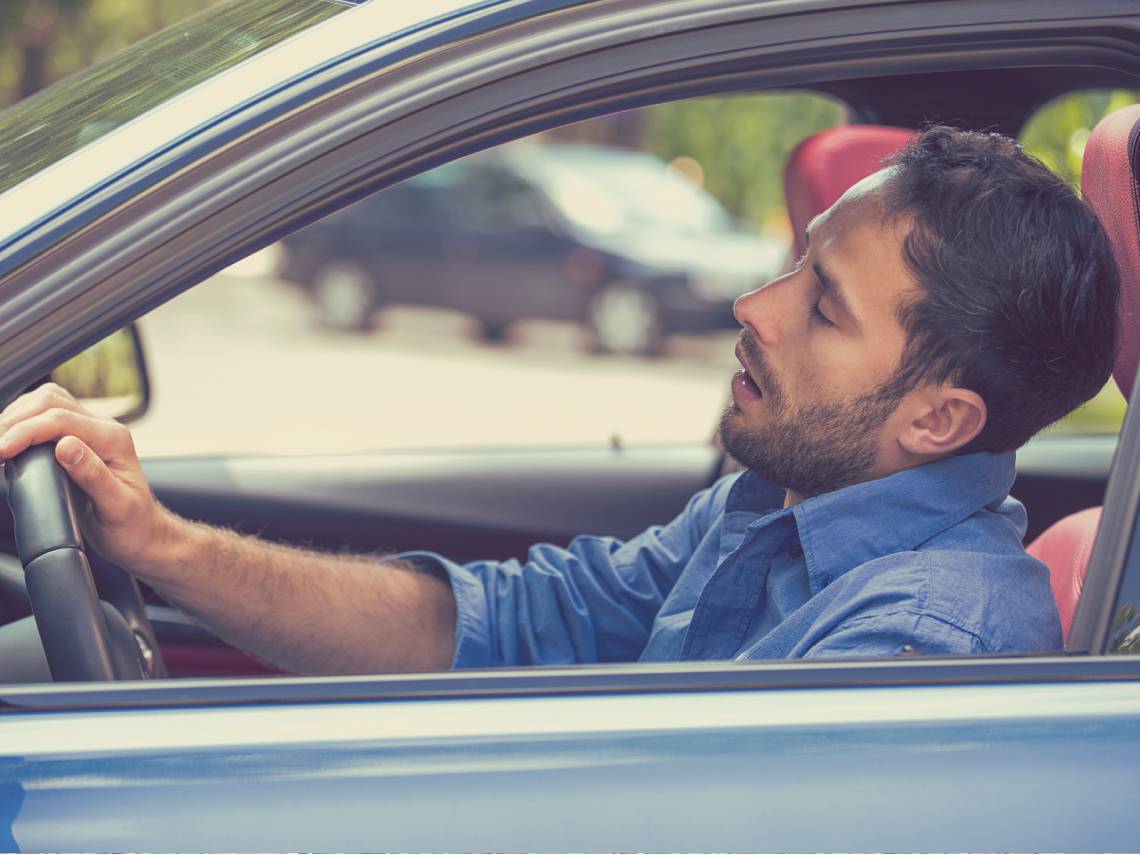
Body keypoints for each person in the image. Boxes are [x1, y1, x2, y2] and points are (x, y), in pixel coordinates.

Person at [0, 126, 1120, 674]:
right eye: (792, 261)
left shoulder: (917, 650)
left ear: (937, 419)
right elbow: (492, 627)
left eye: (822, 307)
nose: (755, 304)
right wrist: (166, 546)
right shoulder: (772, 506)